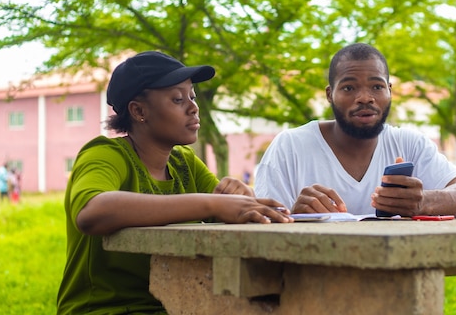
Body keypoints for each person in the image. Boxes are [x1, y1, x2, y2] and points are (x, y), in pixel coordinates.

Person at [56, 51, 293, 315]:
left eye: (192, 96)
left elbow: (228, 214)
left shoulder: (184, 163)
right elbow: (92, 212)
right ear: (138, 111)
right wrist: (211, 204)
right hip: (105, 310)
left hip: (178, 306)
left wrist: (244, 200)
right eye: (178, 99)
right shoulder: (105, 154)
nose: (193, 107)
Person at [254, 43, 456, 218]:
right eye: (348, 87)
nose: (365, 98)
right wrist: (296, 218)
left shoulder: (410, 144)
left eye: (377, 86)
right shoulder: (290, 147)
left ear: (390, 91)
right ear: (329, 95)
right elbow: (261, 230)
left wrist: (423, 201)